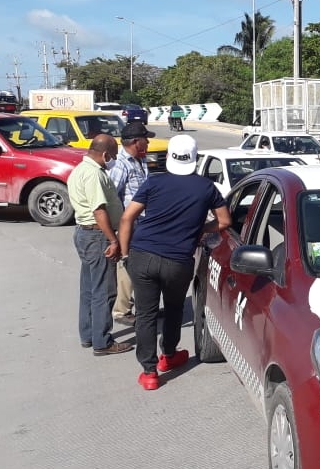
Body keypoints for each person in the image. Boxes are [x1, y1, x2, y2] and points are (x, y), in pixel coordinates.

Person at [118, 134, 231, 391]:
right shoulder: (207, 188)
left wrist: (125, 255)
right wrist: (200, 229)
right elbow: (224, 221)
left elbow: (127, 218)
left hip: (143, 255)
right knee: (173, 309)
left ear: (169, 156)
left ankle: (149, 373)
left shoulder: (153, 182)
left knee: (145, 314)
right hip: (178, 261)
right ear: (194, 158)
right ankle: (168, 356)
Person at [66, 133, 133, 356]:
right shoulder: (94, 174)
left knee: (88, 288)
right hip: (97, 236)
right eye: (112, 155)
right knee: (104, 291)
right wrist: (113, 240)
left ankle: (88, 334)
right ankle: (102, 341)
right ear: (105, 154)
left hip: (84, 234)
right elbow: (98, 210)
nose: (113, 159)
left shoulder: (79, 170)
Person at [108, 122, 155, 325]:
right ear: (136, 141)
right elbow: (112, 196)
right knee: (126, 265)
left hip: (143, 222)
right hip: (130, 223)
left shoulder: (139, 160)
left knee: (142, 266)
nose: (149, 142)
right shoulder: (121, 164)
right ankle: (122, 310)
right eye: (146, 139)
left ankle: (141, 306)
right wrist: (119, 228)